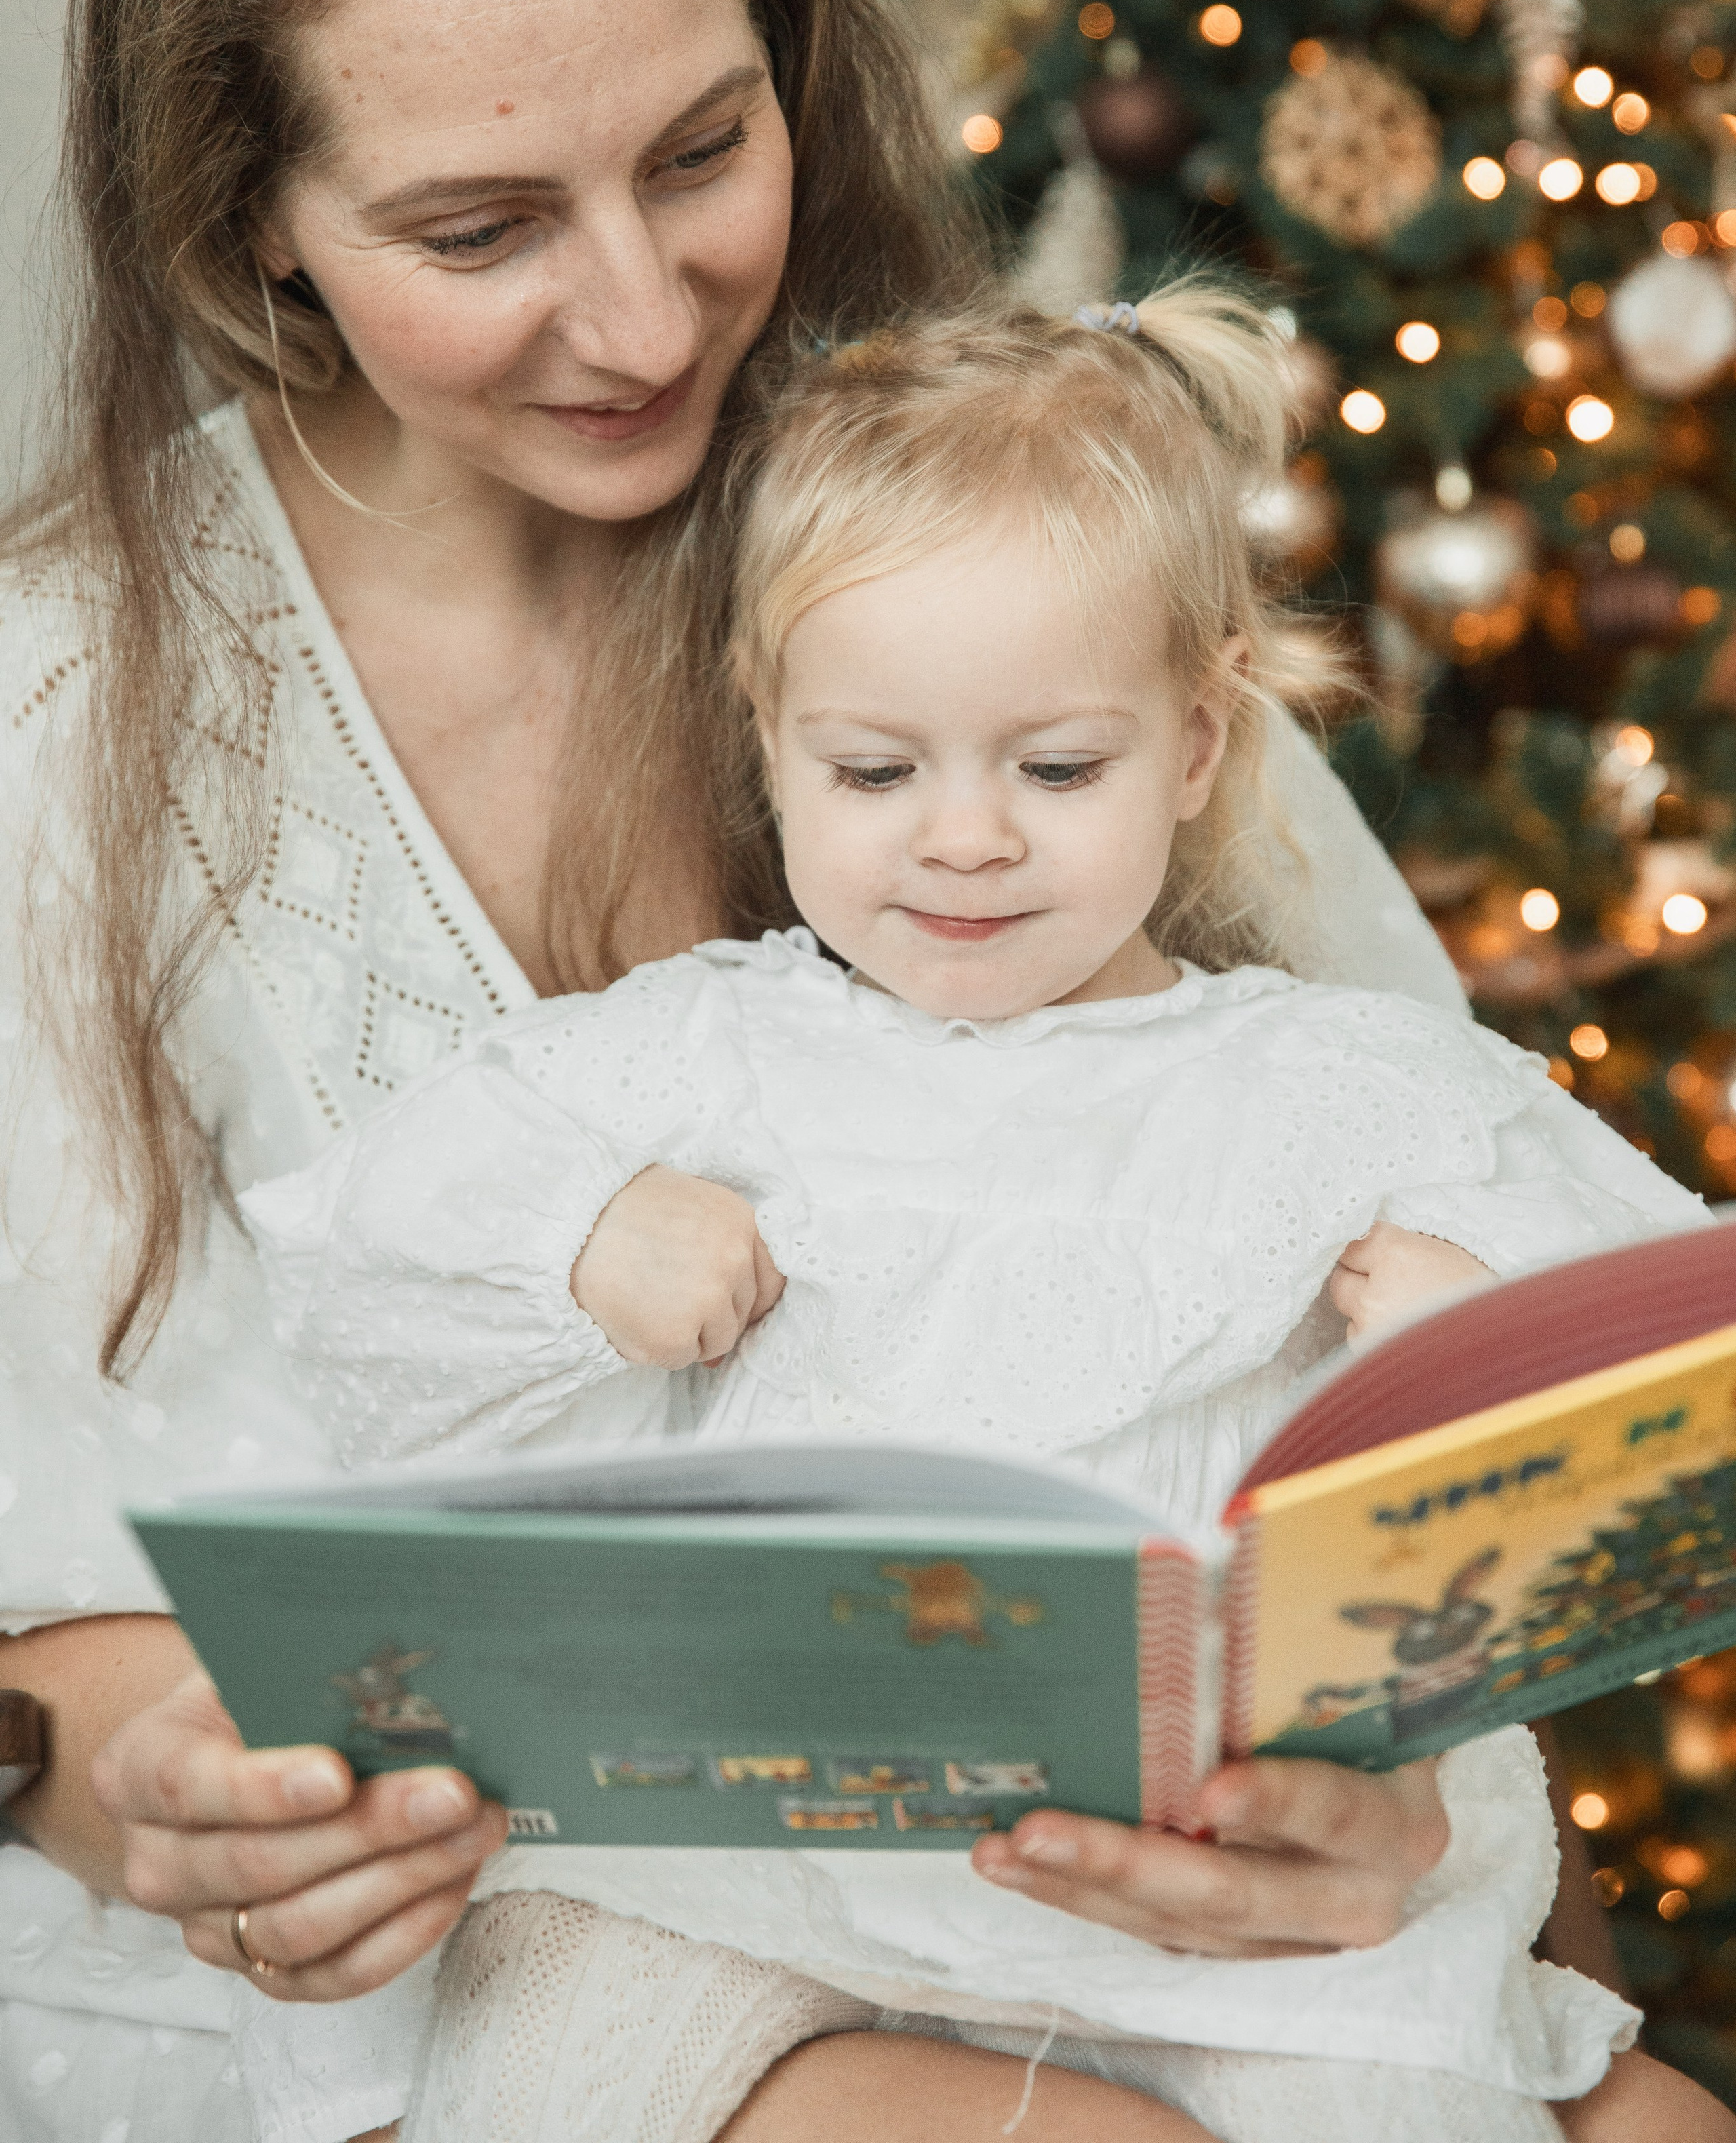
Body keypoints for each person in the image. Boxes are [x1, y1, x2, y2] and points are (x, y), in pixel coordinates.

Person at [0, 0, 1645, 2143]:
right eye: (476, 230)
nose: (648, 316)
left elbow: (1433, 1326)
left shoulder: (1002, 543)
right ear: (254, 235)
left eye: (700, 151)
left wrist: (1374, 1785)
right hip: (434, 2008)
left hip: (1122, 1940)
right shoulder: (53, 722)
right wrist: (158, 1794)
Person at [233, 283, 1722, 2143]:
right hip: (746, 1875)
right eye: (874, 771)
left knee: (1403, 2113)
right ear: (768, 734)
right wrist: (581, 1237)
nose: (964, 838)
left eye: (1057, 768)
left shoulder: (1339, 1086)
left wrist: (1487, 1344)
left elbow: (1673, 1379)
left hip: (1221, 1887)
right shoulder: (706, 1052)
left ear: (1194, 743)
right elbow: (368, 1248)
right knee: (550, 2065)